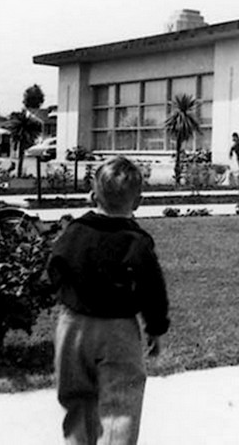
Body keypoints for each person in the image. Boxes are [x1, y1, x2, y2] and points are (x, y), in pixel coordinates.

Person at [48, 156, 170, 444]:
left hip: (73, 325)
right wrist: (155, 327)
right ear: (138, 202)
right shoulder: (136, 242)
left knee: (78, 397)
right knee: (120, 405)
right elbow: (152, 289)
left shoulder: (74, 231)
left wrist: (67, 294)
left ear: (92, 196)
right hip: (118, 330)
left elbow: (55, 267)